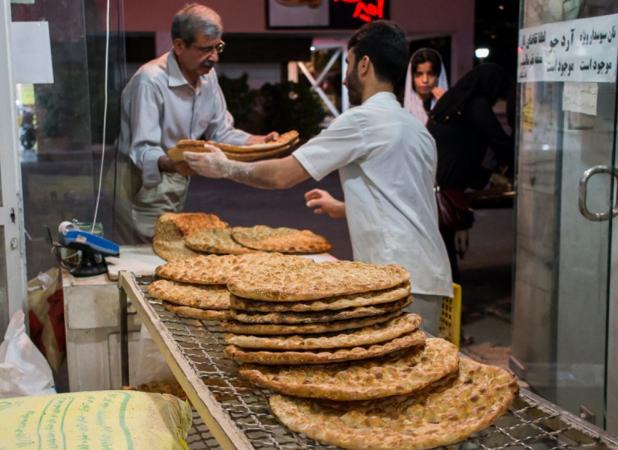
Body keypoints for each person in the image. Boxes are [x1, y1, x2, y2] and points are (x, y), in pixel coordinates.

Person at [184, 20, 453, 335]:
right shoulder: (416, 129)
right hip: (430, 277)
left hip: (395, 278)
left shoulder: (363, 120)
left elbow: (283, 175)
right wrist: (343, 207)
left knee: (391, 376)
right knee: (421, 374)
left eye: (349, 64)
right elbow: (405, 198)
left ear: (364, 64)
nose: (344, 77)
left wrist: (225, 167)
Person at [115, 3, 278, 243]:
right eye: (205, 49)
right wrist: (178, 162)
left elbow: (220, 131)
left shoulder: (207, 76)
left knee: (170, 252)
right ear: (179, 46)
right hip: (143, 183)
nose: (214, 57)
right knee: (147, 258)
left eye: (218, 47)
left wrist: (258, 142)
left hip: (177, 176)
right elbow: (142, 151)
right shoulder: (150, 82)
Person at [426, 63, 514, 282]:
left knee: (440, 253)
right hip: (446, 188)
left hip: (432, 181)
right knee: (446, 256)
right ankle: (448, 307)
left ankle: (445, 303)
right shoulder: (476, 105)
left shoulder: (450, 101)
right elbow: (499, 141)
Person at [403, 48, 448, 125]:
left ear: (438, 76)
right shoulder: (401, 107)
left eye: (430, 74)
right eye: (419, 74)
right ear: (411, 77)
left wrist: (445, 105)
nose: (425, 80)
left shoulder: (449, 104)